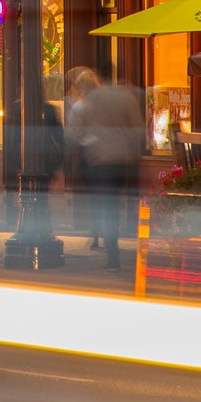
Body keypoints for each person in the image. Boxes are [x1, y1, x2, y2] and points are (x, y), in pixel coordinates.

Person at [72, 76, 150, 268]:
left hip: (99, 161)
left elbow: (75, 131)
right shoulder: (126, 97)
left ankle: (111, 253)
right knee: (112, 205)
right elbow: (139, 129)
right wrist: (133, 152)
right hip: (121, 160)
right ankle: (110, 246)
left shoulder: (91, 99)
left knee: (105, 206)